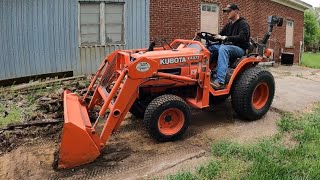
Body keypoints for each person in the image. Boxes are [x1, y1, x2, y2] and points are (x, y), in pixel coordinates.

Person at [199, 3, 251, 90]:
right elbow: (218, 36)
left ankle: (220, 81)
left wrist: (226, 37)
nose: (227, 13)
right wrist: (206, 36)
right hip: (228, 46)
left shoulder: (243, 24)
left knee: (223, 49)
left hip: (239, 48)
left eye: (229, 11)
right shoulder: (229, 25)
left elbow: (243, 37)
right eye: (226, 12)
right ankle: (205, 72)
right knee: (209, 47)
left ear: (236, 11)